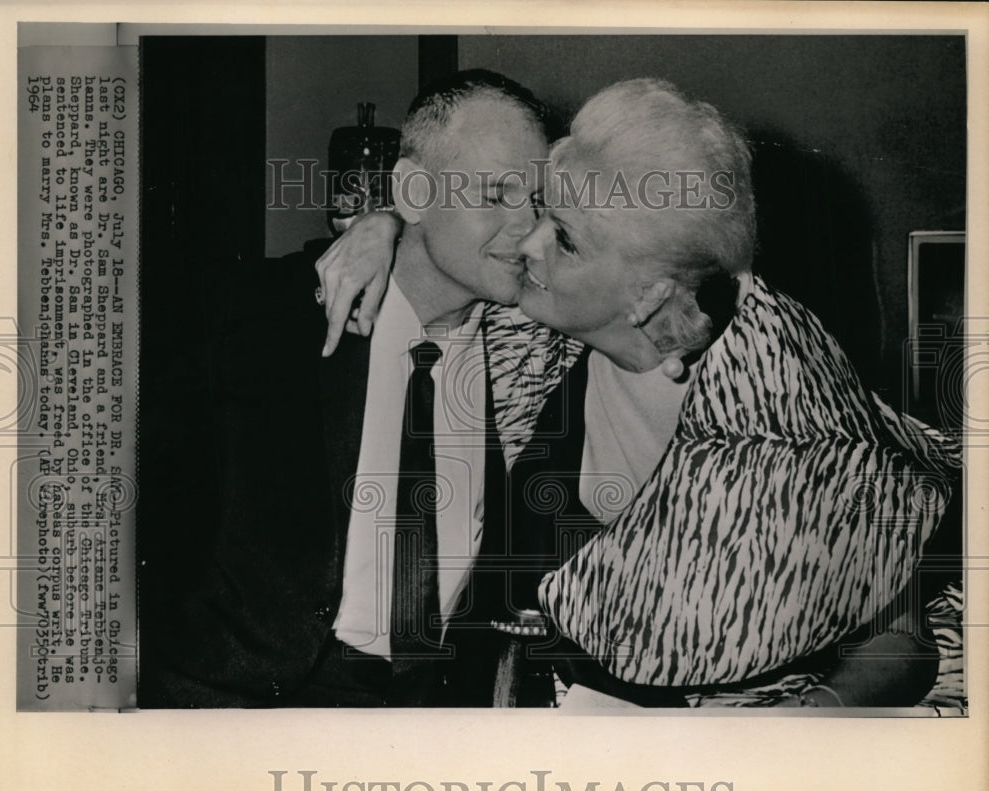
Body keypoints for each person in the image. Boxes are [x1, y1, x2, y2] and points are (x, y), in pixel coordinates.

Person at [315, 78, 959, 707]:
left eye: (562, 236)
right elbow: (443, 252)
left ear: (649, 294)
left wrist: (800, 720)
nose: (526, 241)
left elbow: (901, 638)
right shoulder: (532, 338)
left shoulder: (781, 402)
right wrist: (384, 225)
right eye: (543, 207)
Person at [146, 69, 579, 707]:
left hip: (428, 712)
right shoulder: (265, 318)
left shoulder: (537, 341)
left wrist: (388, 222)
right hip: (233, 705)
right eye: (497, 193)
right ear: (412, 189)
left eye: (539, 198)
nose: (530, 226)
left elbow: (669, 274)